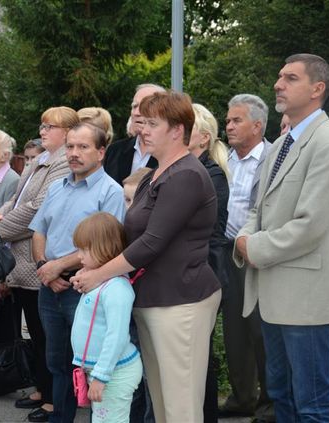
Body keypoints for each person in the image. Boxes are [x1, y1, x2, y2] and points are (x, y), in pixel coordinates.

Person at [72, 91, 221, 423]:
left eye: (153, 123)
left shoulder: (186, 174)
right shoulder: (155, 174)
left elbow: (152, 243)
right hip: (154, 299)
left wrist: (98, 275)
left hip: (181, 301)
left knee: (181, 407)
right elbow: (132, 237)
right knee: (163, 405)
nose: (143, 129)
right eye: (143, 122)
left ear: (177, 130)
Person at [234, 54, 329, 422]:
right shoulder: (286, 141)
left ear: (317, 89)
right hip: (274, 296)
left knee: (313, 404)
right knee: (283, 399)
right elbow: (259, 207)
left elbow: (310, 225)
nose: (278, 84)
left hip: (306, 299)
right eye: (279, 77)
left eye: (290, 78)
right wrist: (244, 235)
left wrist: (252, 247)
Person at [30, 122, 126, 423]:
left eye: (82, 147)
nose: (74, 153)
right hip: (49, 285)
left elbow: (105, 247)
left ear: (101, 152)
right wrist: (44, 268)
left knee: (86, 363)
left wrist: (58, 267)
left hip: (83, 289)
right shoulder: (57, 186)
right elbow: (38, 231)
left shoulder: (111, 192)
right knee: (56, 363)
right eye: (70, 146)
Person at [0, 106, 79, 423]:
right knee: (39, 334)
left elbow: (35, 209)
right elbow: (16, 199)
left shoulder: (61, 165)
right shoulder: (39, 160)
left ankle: (52, 400)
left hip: (36, 262)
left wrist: (0, 228)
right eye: (41, 125)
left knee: (47, 336)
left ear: (68, 131)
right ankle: (44, 392)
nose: (42, 131)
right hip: (22, 259)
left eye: (50, 126)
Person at [221, 94, 273, 421]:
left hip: (257, 256)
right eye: (227, 121)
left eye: (236, 120)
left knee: (261, 331)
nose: (228, 126)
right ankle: (242, 399)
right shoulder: (224, 158)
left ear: (257, 125)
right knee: (233, 331)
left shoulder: (273, 158)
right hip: (226, 253)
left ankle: (270, 405)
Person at [70, 212, 142, 423]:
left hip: (114, 372)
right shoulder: (102, 283)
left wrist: (101, 376)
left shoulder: (117, 289)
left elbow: (116, 336)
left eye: (84, 249)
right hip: (105, 370)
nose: (79, 255)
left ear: (105, 247)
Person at [188, 103, 230, 423]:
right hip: (189, 270)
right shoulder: (187, 166)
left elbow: (200, 228)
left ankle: (207, 416)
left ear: (203, 137)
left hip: (202, 272)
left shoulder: (211, 174)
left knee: (200, 355)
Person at [103, 83, 165, 185]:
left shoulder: (169, 154)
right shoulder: (114, 151)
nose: (136, 112)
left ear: (163, 112)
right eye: (134, 106)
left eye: (144, 106)